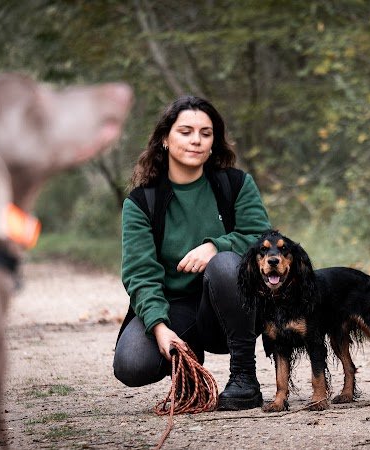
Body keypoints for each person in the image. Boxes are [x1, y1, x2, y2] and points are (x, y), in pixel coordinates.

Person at [113, 96, 271, 410]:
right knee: (131, 363)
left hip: (231, 306)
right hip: (177, 309)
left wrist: (217, 246)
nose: (196, 140)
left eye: (206, 133)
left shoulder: (235, 184)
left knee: (225, 264)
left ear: (214, 142)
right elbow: (140, 274)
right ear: (164, 140)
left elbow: (262, 238)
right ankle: (189, 369)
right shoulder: (142, 202)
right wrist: (159, 328)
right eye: (185, 131)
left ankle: (245, 378)